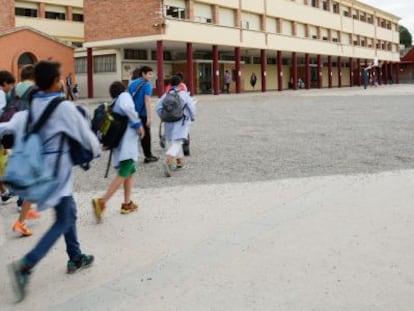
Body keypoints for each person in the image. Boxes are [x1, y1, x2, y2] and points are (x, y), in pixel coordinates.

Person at [4, 60, 101, 302]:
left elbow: (11, 125)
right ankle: (27, 264)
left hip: (36, 171)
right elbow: (87, 138)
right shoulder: (63, 108)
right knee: (65, 217)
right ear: (56, 82)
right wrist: (97, 149)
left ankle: (76, 257)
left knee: (69, 211)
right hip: (56, 174)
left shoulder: (31, 106)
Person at [92, 81, 144, 223]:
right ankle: (102, 201)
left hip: (119, 142)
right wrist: (139, 124)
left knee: (130, 170)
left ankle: (127, 204)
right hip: (126, 142)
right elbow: (128, 108)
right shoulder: (125, 96)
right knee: (125, 170)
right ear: (123, 89)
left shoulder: (113, 103)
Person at [9, 65, 40, 237]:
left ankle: (24, 209)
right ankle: (21, 220)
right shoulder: (34, 90)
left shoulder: (13, 90)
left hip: (16, 134)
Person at [157, 75, 196, 177]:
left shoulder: (165, 95)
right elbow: (191, 107)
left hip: (168, 122)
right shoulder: (183, 94)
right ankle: (168, 160)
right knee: (178, 142)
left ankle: (179, 162)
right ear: (180, 84)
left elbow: (158, 108)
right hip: (181, 121)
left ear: (170, 84)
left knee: (172, 142)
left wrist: (164, 116)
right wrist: (192, 117)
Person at [128, 66, 158, 163]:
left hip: (133, 114)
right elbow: (147, 100)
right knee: (145, 135)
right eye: (149, 74)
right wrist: (149, 117)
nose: (151, 76)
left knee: (132, 134)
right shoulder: (147, 85)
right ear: (143, 74)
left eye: (151, 74)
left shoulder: (132, 84)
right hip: (143, 114)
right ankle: (148, 156)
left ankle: (129, 156)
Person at [0, 70, 16, 203]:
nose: (10, 88)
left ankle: (4, 193)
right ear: (4, 83)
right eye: (9, 85)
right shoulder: (1, 94)